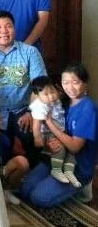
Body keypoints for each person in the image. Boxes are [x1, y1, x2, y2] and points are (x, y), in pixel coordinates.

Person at [0, 11, 47, 165]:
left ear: (14, 28)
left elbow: (41, 87)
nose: (4, 31)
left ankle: (29, 173)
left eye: (8, 26)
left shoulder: (30, 52)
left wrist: (32, 112)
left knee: (32, 141)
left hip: (23, 110)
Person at [21, 63, 98, 208]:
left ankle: (83, 185)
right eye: (65, 82)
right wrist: (49, 143)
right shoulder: (60, 101)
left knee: (38, 198)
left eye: (75, 82)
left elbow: (74, 147)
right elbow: (38, 94)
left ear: (85, 83)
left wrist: (50, 123)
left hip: (77, 165)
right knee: (25, 190)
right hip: (56, 157)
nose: (70, 87)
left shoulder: (88, 108)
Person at [30, 76, 80, 186]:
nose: (51, 96)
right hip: (49, 133)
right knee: (59, 147)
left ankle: (68, 170)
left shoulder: (56, 99)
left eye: (52, 92)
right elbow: (36, 125)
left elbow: (60, 95)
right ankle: (56, 169)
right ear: (38, 96)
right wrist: (37, 137)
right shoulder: (40, 106)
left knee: (71, 150)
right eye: (46, 94)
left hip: (61, 130)